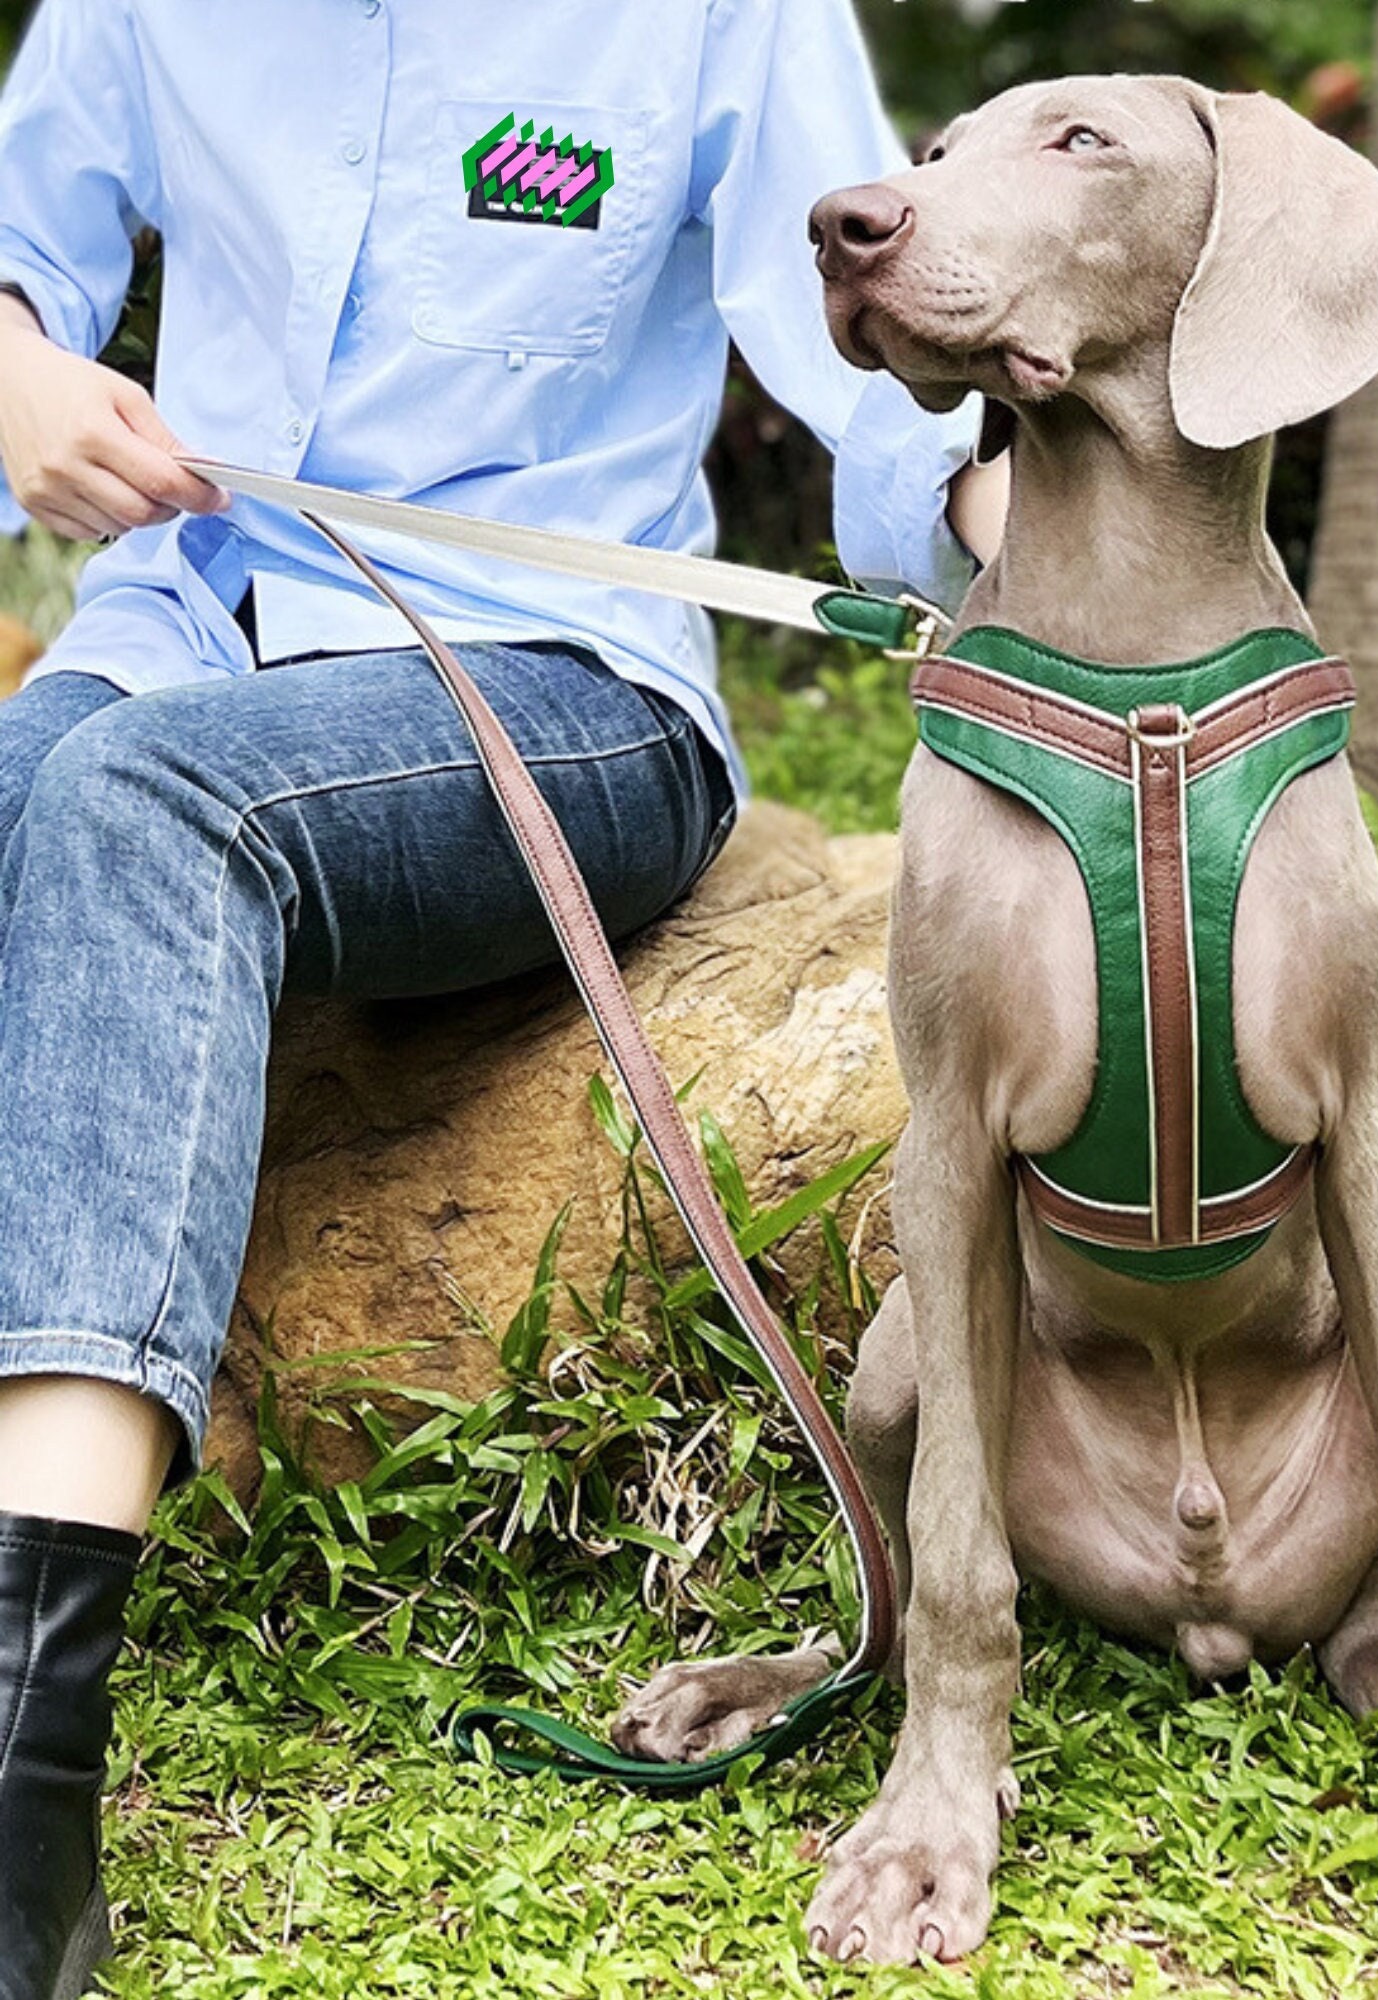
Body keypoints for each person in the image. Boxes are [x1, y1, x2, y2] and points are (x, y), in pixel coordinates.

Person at [0, 4, 1007, 1993]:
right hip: (182, 632)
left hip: (566, 687)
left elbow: (876, 350)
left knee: (134, 798)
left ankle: (26, 1780)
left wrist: (1012, 533)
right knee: (47, 777)